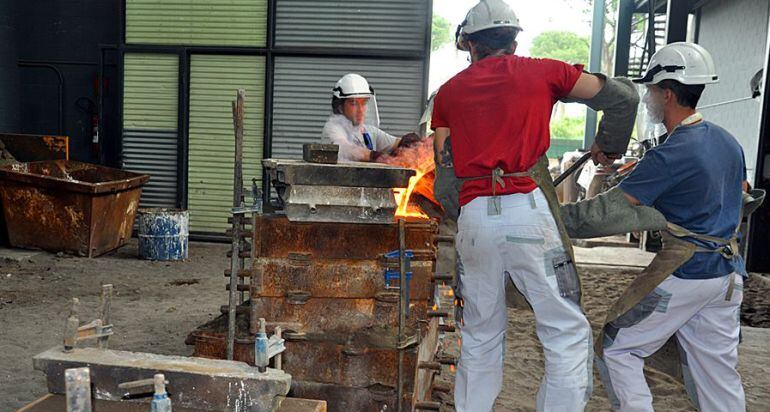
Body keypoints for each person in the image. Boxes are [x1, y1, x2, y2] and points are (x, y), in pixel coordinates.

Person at [430, 1, 639, 410]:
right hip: (528, 208)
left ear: (470, 44)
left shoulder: (449, 93)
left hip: (474, 219)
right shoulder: (546, 71)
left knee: (480, 333)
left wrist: (469, 217)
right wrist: (607, 145)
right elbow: (622, 98)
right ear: (513, 38)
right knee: (563, 329)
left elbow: (445, 169)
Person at [596, 42, 750, 412]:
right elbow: (741, 192)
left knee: (618, 347)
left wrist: (555, 219)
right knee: (716, 370)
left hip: (688, 272)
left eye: (650, 90)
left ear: (667, 93)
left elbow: (610, 211)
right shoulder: (727, 141)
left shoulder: (671, 153)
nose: (647, 97)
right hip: (728, 275)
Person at [321, 73, 419, 162]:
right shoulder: (333, 129)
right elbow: (344, 149)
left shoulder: (367, 131)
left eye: (363, 103)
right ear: (340, 106)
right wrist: (375, 156)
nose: (360, 110)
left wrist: (408, 142)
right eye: (354, 103)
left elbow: (395, 143)